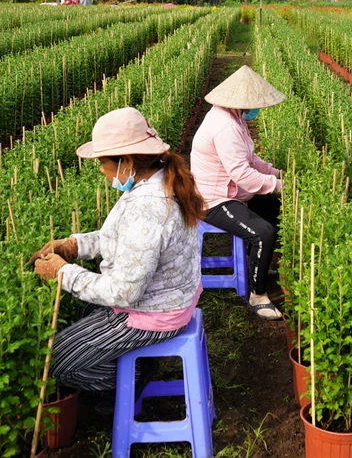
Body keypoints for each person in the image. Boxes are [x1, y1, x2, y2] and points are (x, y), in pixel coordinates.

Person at [30, 107, 204, 393]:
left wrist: (62, 273)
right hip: (167, 298)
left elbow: (124, 292)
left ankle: (133, 379)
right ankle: (131, 362)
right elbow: (123, 238)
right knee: (83, 306)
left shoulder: (149, 207)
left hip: (150, 314)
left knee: (57, 362)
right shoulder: (155, 181)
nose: (100, 169)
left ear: (127, 161)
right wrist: (75, 246)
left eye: (103, 161)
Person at [190, 65, 286, 321]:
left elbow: (250, 159)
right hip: (213, 201)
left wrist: (277, 173)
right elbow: (243, 175)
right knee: (263, 232)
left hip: (231, 193)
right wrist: (277, 186)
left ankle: (256, 265)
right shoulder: (226, 127)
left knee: (277, 211)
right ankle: (258, 294)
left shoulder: (233, 118)